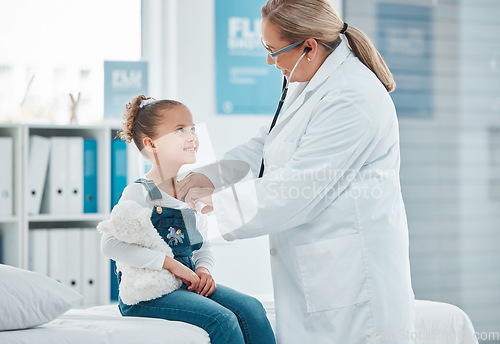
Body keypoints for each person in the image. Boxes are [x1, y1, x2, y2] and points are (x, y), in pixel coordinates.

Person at [176, 0, 416, 343]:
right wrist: (210, 176)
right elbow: (267, 144)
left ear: (309, 46)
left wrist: (213, 206)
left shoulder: (353, 97)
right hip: (322, 276)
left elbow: (297, 188)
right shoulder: (309, 80)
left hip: (351, 286)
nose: (270, 61)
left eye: (274, 51)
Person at [100, 95, 276, 344]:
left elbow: (202, 246)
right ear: (151, 144)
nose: (192, 136)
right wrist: (171, 265)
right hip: (147, 292)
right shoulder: (139, 192)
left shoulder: (191, 192)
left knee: (252, 309)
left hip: (184, 286)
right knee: (222, 320)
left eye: (192, 128)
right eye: (180, 130)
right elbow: (110, 245)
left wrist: (203, 270)